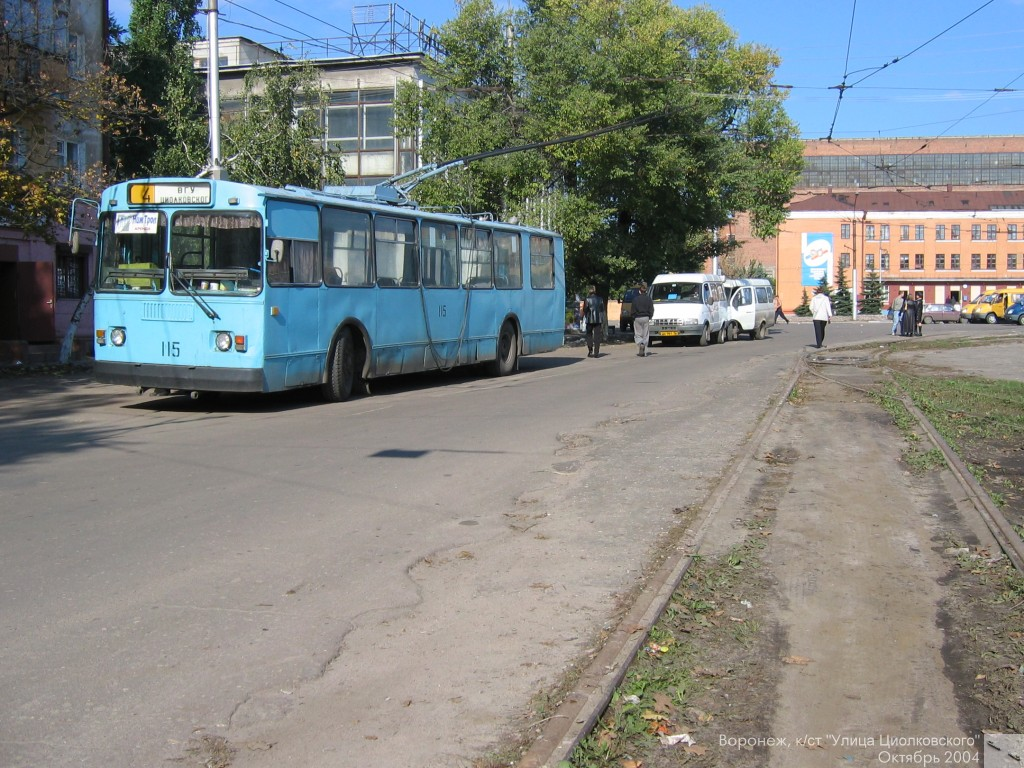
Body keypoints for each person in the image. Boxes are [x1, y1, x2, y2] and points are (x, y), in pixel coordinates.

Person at [581, 285, 605, 357]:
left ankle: (590, 349)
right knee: (597, 336)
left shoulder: (587, 299)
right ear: (595, 290)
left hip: (589, 319)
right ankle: (596, 353)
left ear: (589, 291)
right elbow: (602, 309)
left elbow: (585, 309)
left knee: (589, 335)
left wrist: (586, 315)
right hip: (598, 319)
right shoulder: (600, 299)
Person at [631, 281, 654, 357]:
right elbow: (651, 309)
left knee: (638, 334)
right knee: (645, 334)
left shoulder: (635, 299)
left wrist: (634, 317)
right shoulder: (649, 299)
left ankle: (640, 343)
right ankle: (644, 344)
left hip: (637, 318)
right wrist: (649, 316)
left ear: (639, 291)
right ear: (646, 291)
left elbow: (633, 310)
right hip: (646, 317)